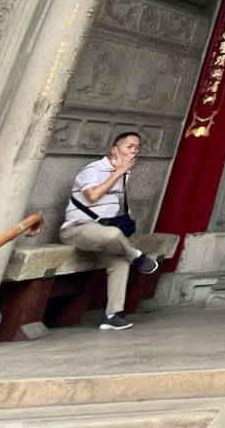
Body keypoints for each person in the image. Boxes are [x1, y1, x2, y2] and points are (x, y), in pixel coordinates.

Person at [62, 131, 160, 331]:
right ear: (114, 149)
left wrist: (121, 173)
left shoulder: (124, 174)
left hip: (101, 232)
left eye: (137, 148)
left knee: (119, 261)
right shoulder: (93, 170)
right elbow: (92, 196)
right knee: (114, 235)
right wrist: (117, 173)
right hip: (77, 229)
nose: (133, 151)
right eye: (129, 146)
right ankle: (139, 257)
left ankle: (113, 315)